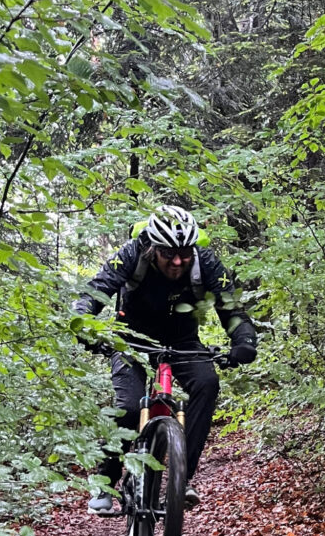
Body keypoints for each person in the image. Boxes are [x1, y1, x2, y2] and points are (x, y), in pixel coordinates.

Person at [75, 205, 257, 514]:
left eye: (184, 253)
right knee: (129, 407)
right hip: (131, 338)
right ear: (152, 248)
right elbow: (97, 290)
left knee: (207, 383)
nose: (177, 261)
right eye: (168, 254)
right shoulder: (133, 253)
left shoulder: (206, 261)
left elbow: (231, 308)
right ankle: (105, 481)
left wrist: (244, 341)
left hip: (182, 341)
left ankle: (182, 478)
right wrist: (84, 324)